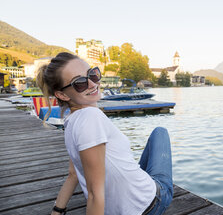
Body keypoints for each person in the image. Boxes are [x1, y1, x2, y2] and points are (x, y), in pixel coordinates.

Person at [37, 52, 173, 215]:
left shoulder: (71, 121)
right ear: (62, 94)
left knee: (135, 164)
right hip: (148, 205)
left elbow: (73, 174)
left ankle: (139, 181)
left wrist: (58, 210)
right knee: (160, 132)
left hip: (131, 202)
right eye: (79, 82)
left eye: (92, 74)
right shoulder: (90, 117)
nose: (92, 84)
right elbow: (95, 195)